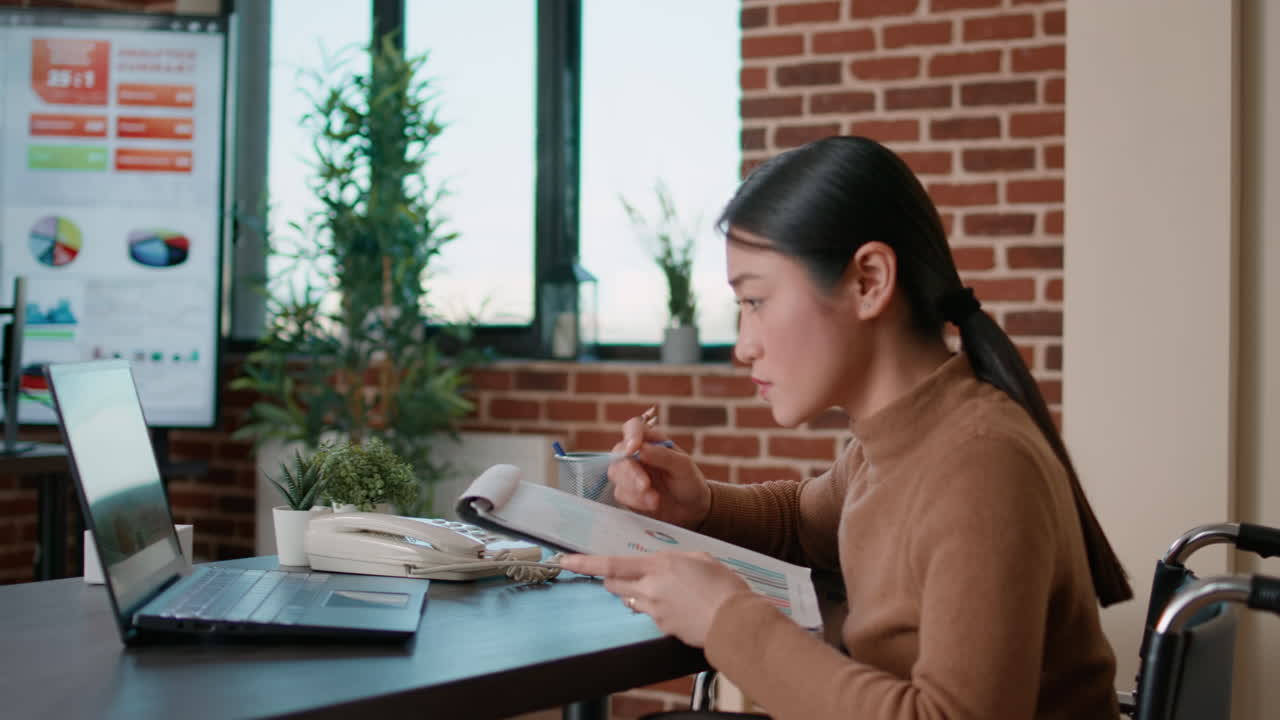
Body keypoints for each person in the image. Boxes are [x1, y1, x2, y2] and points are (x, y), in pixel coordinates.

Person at [559, 135, 1131, 720]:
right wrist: (700, 506)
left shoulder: (981, 463)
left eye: (755, 301)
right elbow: (803, 520)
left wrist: (725, 619)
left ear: (868, 281)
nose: (743, 346)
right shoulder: (896, 441)